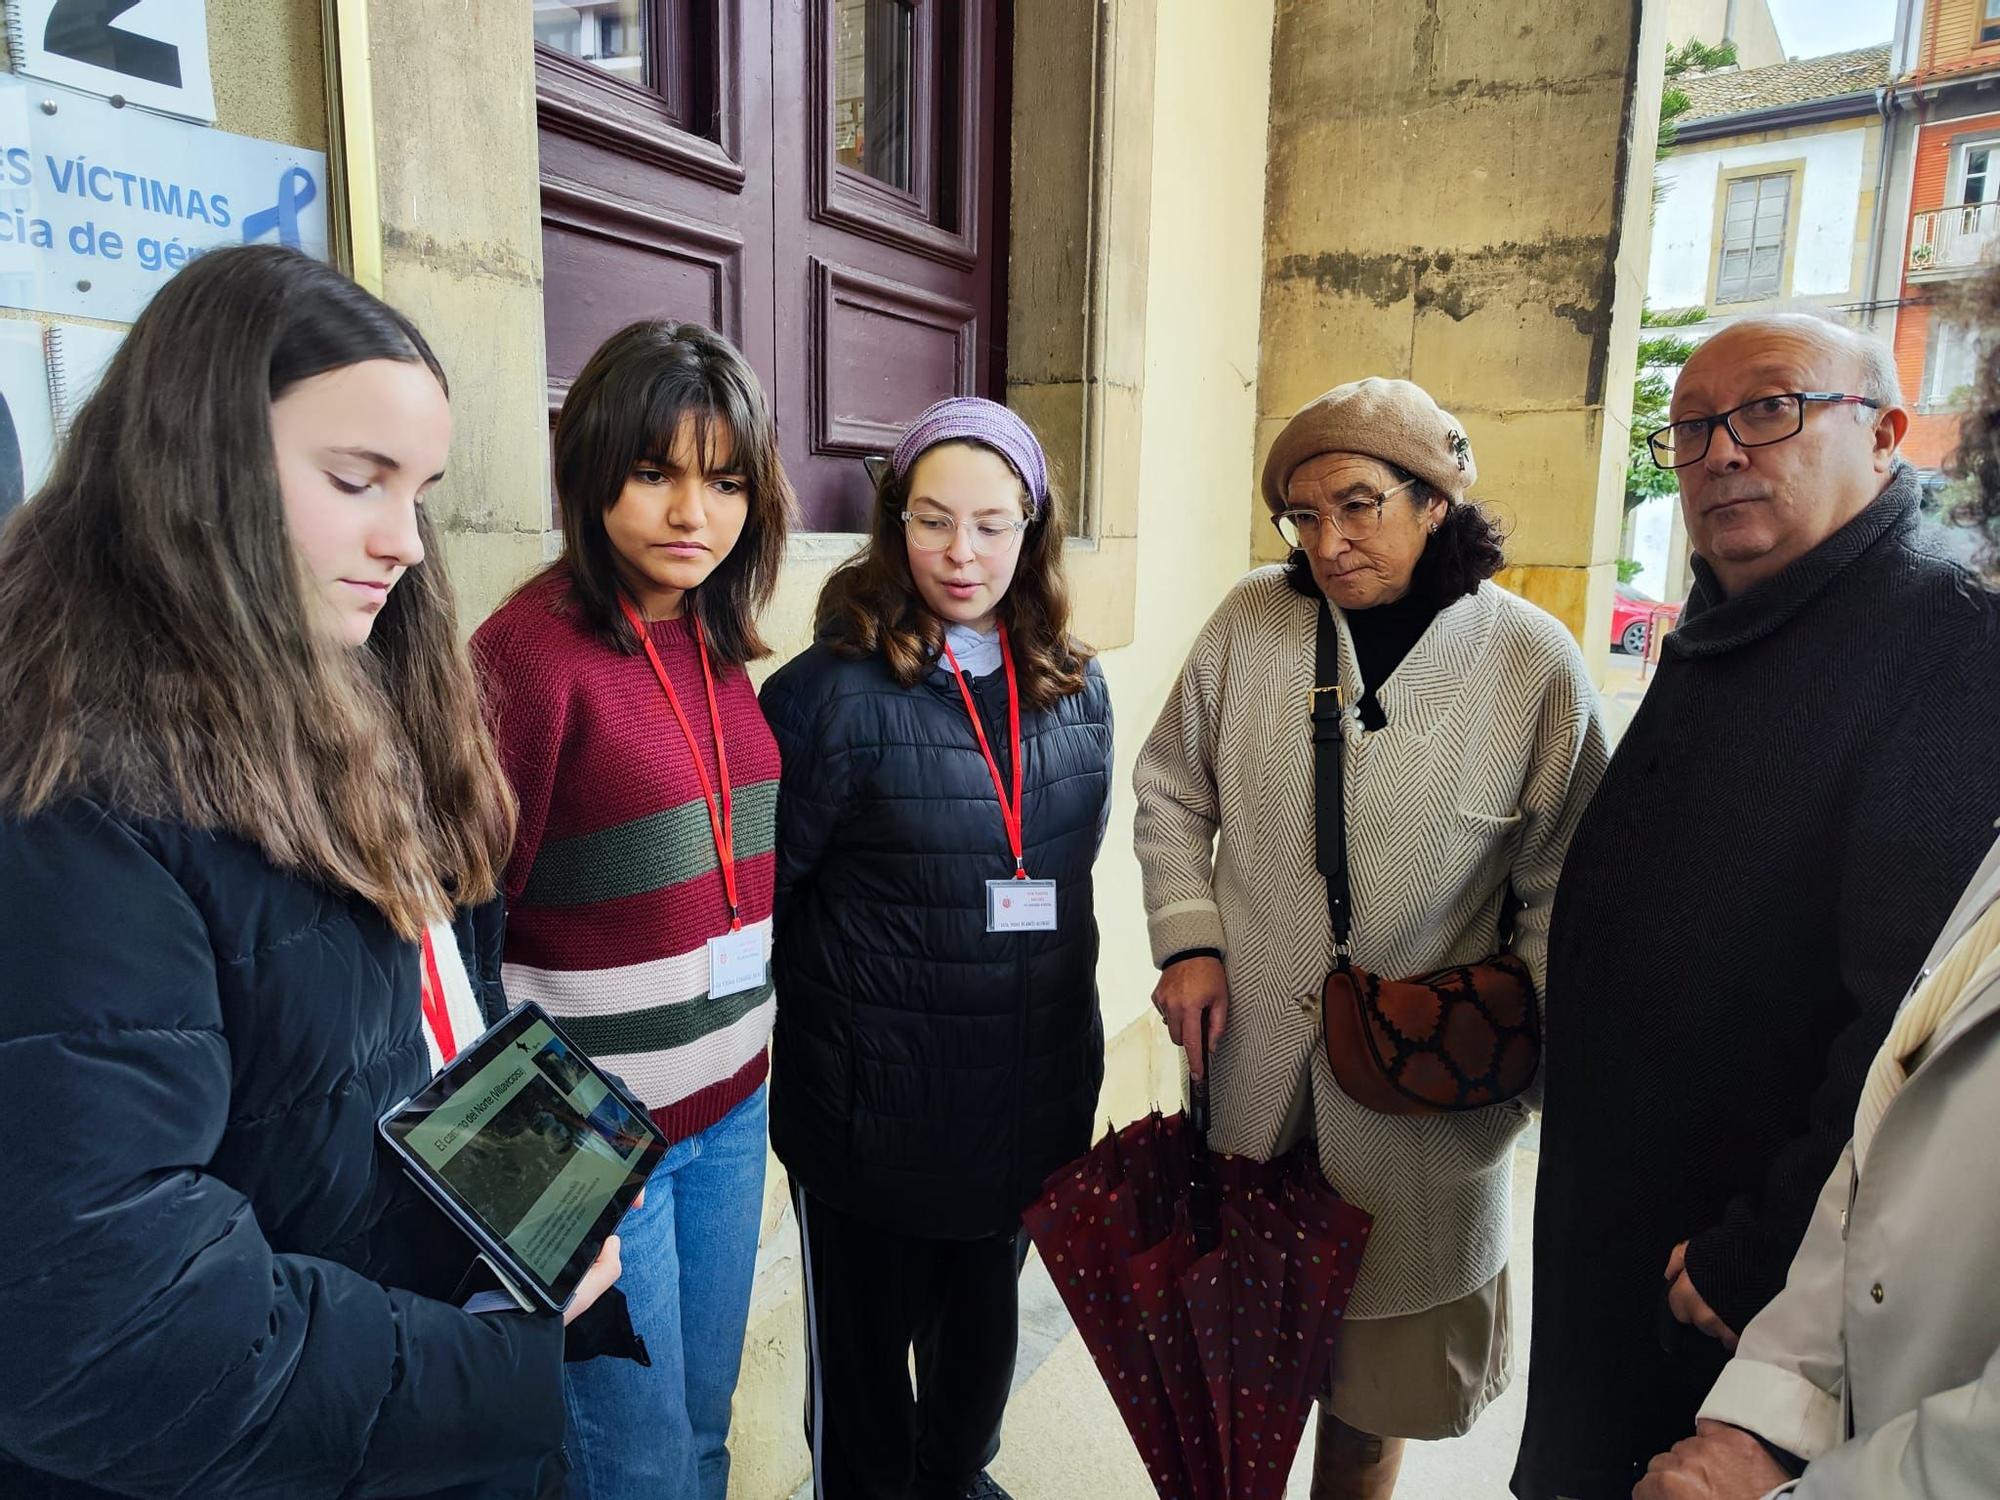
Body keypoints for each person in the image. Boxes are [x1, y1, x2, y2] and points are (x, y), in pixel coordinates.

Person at [0, 245, 612, 1498]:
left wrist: (544, 1211)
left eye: (422, 493)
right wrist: (502, 1363)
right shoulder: (73, 798)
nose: (401, 541)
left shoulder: (354, 695)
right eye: (354, 479)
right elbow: (116, 1330)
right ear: (197, 459)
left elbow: (416, 1037)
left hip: (406, 1379)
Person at [1513, 315, 2000, 1500]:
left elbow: (1905, 1025)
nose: (1719, 451)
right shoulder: (1739, 609)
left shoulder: (1942, 640)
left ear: (1884, 434)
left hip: (1731, 1270)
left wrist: (1758, 1251)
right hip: (1618, 1205)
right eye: (1687, 429)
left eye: (1768, 410)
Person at [1135, 377, 1606, 1500]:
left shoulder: (1531, 662)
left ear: (1434, 499)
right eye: (1302, 517)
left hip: (1422, 1103)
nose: (1329, 542)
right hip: (1254, 1068)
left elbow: (1569, 891)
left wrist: (1507, 1070)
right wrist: (1185, 937)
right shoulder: (1253, 620)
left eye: (1358, 506)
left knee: (1368, 1403)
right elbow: (1167, 791)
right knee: (1241, 1381)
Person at [762, 397, 1113, 1500]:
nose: (960, 553)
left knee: (971, 1379)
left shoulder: (1073, 685)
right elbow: (771, 897)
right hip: (874, 1127)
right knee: (865, 1409)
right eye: (930, 521)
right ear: (891, 524)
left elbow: (1068, 867)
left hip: (1021, 1110)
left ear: (1032, 528)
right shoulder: (822, 696)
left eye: (991, 524)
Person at [471, 321, 790, 1500]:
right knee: (631, 1468)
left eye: (723, 480)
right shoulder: (524, 658)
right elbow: (463, 932)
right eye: (655, 472)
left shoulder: (712, 637)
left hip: (727, 1117)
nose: (689, 512)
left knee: (704, 1430)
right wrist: (530, 1177)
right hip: (592, 1144)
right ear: (591, 467)